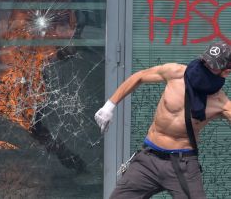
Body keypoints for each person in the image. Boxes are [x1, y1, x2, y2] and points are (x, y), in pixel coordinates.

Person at [95, 41, 231, 199]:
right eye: (205, 61)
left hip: (183, 165)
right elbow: (140, 76)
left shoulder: (221, 103)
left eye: (212, 65)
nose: (205, 66)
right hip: (148, 158)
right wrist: (109, 105)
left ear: (225, 72)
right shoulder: (176, 72)